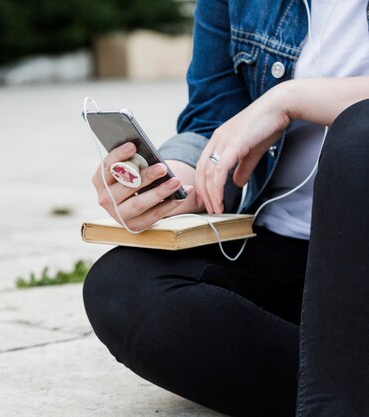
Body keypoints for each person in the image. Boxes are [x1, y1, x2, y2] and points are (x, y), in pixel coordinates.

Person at [82, 1, 369, 416]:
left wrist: (290, 99)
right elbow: (211, 116)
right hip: (289, 251)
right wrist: (172, 183)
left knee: (360, 133)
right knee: (123, 288)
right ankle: (342, 381)